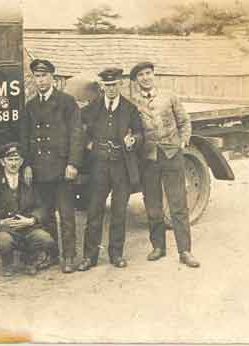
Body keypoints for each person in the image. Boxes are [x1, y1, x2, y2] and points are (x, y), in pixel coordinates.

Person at [130, 61, 200, 268]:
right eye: (141, 75)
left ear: (154, 75)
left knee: (178, 204)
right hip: (148, 159)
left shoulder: (169, 96)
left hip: (171, 155)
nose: (145, 77)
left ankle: (185, 251)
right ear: (136, 80)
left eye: (148, 73)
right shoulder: (132, 102)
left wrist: (183, 142)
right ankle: (158, 247)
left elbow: (184, 122)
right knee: (152, 206)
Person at [19, 59, 83, 273]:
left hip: (62, 168)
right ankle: (52, 255)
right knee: (45, 216)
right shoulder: (30, 106)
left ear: (53, 78)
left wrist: (73, 163)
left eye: (44, 76)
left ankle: (69, 256)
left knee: (66, 215)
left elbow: (76, 135)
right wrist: (27, 164)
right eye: (37, 76)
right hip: (39, 169)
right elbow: (25, 137)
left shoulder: (67, 102)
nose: (41, 80)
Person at [77, 68, 143, 271]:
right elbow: (78, 128)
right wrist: (87, 143)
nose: (111, 89)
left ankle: (116, 254)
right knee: (95, 210)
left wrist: (133, 140)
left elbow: (140, 133)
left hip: (121, 166)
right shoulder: (92, 108)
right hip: (99, 166)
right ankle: (90, 256)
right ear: (102, 87)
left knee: (118, 211)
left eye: (114, 85)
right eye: (107, 86)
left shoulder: (130, 109)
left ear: (120, 85)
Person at [0, 143, 54, 277]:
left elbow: (42, 207)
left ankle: (29, 261)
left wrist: (32, 219)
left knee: (45, 239)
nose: (13, 163)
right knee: (4, 241)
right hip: (6, 229)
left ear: (21, 162)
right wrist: (0, 222)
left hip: (27, 228)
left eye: (16, 160)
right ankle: (7, 263)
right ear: (2, 162)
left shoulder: (28, 181)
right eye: (10, 160)